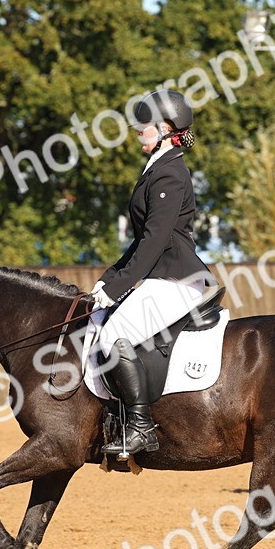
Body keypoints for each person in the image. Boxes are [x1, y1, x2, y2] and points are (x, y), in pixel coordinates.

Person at [90, 89, 218, 458]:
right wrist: (108, 279)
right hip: (162, 274)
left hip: (177, 278)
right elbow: (140, 241)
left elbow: (155, 240)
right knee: (100, 322)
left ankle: (141, 428)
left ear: (164, 128)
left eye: (142, 129)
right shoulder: (158, 168)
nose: (137, 134)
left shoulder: (171, 173)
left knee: (114, 333)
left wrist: (118, 288)